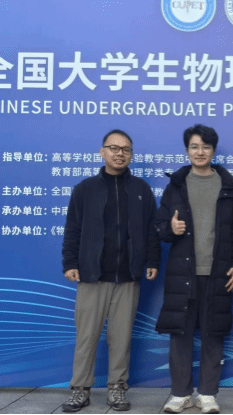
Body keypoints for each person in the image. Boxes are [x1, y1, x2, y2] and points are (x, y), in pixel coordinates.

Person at [61, 130, 161, 413]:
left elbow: (151, 229)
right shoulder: (85, 189)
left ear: (131, 155)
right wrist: (70, 262)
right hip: (92, 275)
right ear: (102, 152)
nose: (120, 154)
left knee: (121, 337)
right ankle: (80, 389)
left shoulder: (140, 189)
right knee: (86, 337)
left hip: (128, 276)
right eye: (114, 148)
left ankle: (117, 388)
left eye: (126, 149)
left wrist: (152, 260)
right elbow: (73, 229)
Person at [156, 124, 233, 415]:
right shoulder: (176, 185)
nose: (200, 151)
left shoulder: (229, 186)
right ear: (187, 150)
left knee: (213, 334)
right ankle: (180, 393)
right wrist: (170, 228)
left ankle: (207, 394)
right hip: (183, 272)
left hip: (217, 272)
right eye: (194, 146)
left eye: (206, 147)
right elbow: (159, 226)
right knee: (180, 335)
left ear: (213, 151)